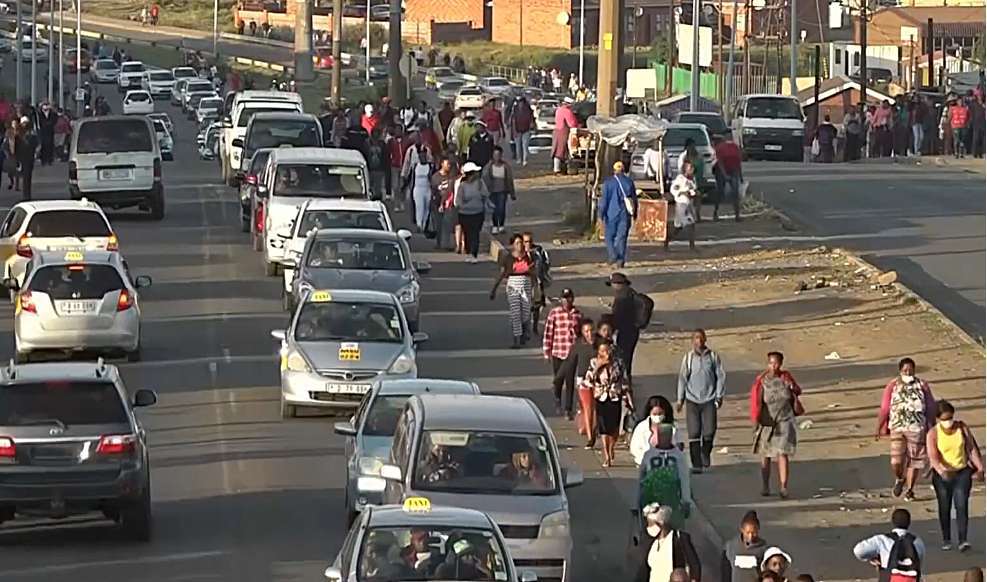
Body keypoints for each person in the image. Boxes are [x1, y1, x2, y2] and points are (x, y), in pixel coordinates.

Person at [926, 399, 984, 552]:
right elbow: (933, 457)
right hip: (942, 476)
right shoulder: (933, 434)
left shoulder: (962, 428)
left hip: (962, 472)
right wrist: (941, 471)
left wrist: (980, 467)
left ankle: (963, 539)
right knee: (944, 506)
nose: (948, 422)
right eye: (944, 419)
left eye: (950, 418)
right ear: (938, 419)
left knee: (961, 505)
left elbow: (971, 448)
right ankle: (946, 538)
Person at [876, 357, 936, 501]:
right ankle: (899, 478)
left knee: (914, 460)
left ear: (914, 371)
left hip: (917, 428)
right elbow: (885, 407)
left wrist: (932, 428)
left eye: (910, 370)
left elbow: (931, 407)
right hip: (897, 427)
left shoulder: (923, 386)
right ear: (900, 371)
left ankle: (910, 490)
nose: (908, 373)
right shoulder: (892, 386)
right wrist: (880, 426)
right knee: (896, 460)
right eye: (905, 370)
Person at [750, 351, 802, 499]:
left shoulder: (786, 377)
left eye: (776, 363)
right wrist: (755, 420)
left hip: (785, 419)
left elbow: (798, 391)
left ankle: (783, 487)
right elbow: (756, 402)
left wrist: (793, 388)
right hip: (767, 421)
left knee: (782, 453)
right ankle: (765, 486)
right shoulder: (762, 381)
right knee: (766, 454)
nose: (774, 366)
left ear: (781, 364)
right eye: (771, 363)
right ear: (767, 364)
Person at [676, 329, 725, 473]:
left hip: (709, 399)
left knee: (709, 430)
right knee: (694, 432)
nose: (699, 340)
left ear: (705, 339)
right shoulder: (689, 358)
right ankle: (696, 464)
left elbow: (720, 376)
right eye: (696, 338)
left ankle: (705, 453)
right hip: (692, 399)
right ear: (693, 340)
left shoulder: (713, 357)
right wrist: (680, 399)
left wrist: (719, 395)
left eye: (701, 337)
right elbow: (682, 378)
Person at [581, 341, 633, 467]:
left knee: (614, 428)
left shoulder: (619, 363)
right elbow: (588, 380)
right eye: (603, 351)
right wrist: (598, 367)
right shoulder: (594, 363)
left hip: (615, 396)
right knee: (604, 428)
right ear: (599, 352)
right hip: (601, 397)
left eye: (608, 350)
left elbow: (625, 381)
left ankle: (612, 447)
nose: (606, 354)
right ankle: (606, 454)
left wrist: (629, 399)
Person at [852, 508, 926, 582]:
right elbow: (919, 565)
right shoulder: (917, 542)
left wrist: (872, 558)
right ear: (909, 523)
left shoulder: (882, 540)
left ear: (893, 522)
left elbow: (858, 551)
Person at [631, 505, 701, 582]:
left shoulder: (679, 538)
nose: (649, 527)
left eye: (651, 524)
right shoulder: (649, 542)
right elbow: (642, 569)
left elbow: (694, 564)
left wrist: (694, 579)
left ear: (662, 523)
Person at [490, 233, 536, 348]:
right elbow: (502, 273)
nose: (520, 245)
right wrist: (494, 288)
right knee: (516, 313)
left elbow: (534, 273)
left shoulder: (529, 257)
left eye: (521, 243)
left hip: (526, 285)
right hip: (513, 286)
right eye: (517, 243)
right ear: (513, 245)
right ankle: (516, 339)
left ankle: (525, 332)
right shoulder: (508, 258)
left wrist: (536, 288)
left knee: (525, 314)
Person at [638, 424, 691, 525]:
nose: (664, 437)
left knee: (672, 527)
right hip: (651, 498)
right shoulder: (649, 455)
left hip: (672, 499)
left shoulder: (678, 456)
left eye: (667, 435)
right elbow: (641, 479)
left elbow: (684, 478)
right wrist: (637, 503)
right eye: (662, 435)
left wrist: (686, 500)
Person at [542, 288, 582, 418]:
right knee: (558, 379)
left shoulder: (577, 314)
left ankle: (568, 409)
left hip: (571, 352)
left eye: (569, 297)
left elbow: (581, 335)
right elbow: (549, 332)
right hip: (557, 351)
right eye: (565, 298)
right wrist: (546, 352)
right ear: (561, 300)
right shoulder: (555, 313)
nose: (567, 300)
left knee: (570, 381)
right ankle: (557, 400)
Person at [563, 318, 597, 445]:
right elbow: (570, 363)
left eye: (592, 330)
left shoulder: (600, 343)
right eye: (587, 331)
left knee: (596, 408)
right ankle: (590, 437)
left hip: (600, 381)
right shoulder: (578, 345)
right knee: (588, 407)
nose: (590, 333)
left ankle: (592, 427)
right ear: (583, 332)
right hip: (584, 381)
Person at [606, 272, 642, 389]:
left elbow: (617, 318)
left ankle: (625, 383)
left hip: (625, 331)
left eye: (612, 284)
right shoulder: (631, 293)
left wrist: (609, 331)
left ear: (618, 284)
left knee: (622, 358)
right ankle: (627, 379)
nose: (612, 287)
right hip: (634, 330)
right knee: (628, 357)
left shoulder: (621, 297)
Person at [599, 161, 637, 268]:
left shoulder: (608, 183)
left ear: (614, 170)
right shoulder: (629, 182)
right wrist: (635, 213)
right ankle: (620, 261)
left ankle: (613, 254)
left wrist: (601, 215)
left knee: (609, 236)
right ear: (623, 170)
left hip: (611, 214)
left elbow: (604, 201)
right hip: (625, 214)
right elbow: (634, 199)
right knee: (622, 237)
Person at [631, 395, 683, 465]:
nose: (657, 416)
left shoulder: (673, 427)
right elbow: (635, 448)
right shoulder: (642, 427)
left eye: (660, 414)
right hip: (645, 464)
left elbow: (677, 447)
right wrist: (646, 459)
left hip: (668, 465)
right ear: (649, 413)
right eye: (654, 414)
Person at [454, 162, 488, 263]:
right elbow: (458, 201)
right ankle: (469, 252)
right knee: (468, 233)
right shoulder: (462, 185)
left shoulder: (480, 183)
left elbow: (486, 195)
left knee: (475, 233)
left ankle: (474, 253)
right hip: (465, 214)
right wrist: (465, 204)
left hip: (478, 212)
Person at [720, 510, 768, 582]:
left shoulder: (763, 548)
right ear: (742, 529)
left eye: (754, 533)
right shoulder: (731, 546)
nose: (750, 536)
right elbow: (726, 570)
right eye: (747, 532)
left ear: (758, 529)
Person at [665, 159, 697, 252]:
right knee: (687, 225)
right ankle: (692, 246)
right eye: (690, 168)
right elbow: (673, 189)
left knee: (683, 226)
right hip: (681, 205)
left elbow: (693, 190)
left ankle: (667, 241)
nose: (692, 170)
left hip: (688, 204)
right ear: (685, 169)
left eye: (692, 168)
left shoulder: (692, 179)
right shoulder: (680, 179)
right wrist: (682, 192)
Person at [481, 146, 515, 235]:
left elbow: (509, 179)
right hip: (492, 191)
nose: (497, 157)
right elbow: (485, 178)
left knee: (501, 208)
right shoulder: (489, 166)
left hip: (502, 191)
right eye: (495, 155)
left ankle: (502, 225)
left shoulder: (505, 166)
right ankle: (495, 225)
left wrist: (512, 193)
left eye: (498, 155)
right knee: (494, 209)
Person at [523, 233, 551, 333]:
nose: (528, 244)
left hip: (536, 283)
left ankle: (534, 326)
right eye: (526, 242)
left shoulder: (538, 251)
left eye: (530, 241)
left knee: (536, 306)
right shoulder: (519, 253)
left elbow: (546, 263)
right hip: (524, 283)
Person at [430, 156, 458, 251]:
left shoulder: (452, 177)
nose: (449, 166)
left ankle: (445, 244)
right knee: (438, 224)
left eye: (450, 164)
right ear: (442, 164)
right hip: (437, 203)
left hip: (448, 204)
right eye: (447, 164)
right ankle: (439, 242)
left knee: (447, 223)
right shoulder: (435, 177)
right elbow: (433, 190)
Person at [713, 135, 742, 221]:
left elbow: (738, 162)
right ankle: (715, 212)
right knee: (720, 192)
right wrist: (725, 175)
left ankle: (737, 214)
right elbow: (720, 162)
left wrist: (740, 175)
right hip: (721, 171)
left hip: (733, 171)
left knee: (735, 193)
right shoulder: (720, 148)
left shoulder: (735, 147)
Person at [551, 99, 578, 174]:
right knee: (561, 150)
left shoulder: (559, 110)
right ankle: (558, 169)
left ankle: (557, 168)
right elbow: (572, 124)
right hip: (563, 131)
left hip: (557, 131)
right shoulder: (567, 112)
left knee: (557, 150)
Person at [15, 117, 37, 202]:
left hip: (29, 157)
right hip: (21, 157)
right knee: (23, 176)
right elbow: (17, 148)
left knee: (27, 177)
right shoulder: (18, 136)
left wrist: (35, 153)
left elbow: (36, 145)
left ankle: (27, 194)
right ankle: (25, 194)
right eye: (24, 124)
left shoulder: (32, 135)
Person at [508, 95, 534, 165]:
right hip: (517, 130)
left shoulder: (528, 110)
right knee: (518, 146)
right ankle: (519, 159)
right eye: (519, 102)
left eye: (521, 101)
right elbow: (512, 122)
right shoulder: (515, 111)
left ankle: (525, 160)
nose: (520, 103)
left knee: (524, 146)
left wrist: (532, 126)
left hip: (526, 130)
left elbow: (531, 119)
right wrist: (514, 132)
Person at [365, 128, 387, 201]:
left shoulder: (382, 144)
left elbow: (384, 156)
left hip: (379, 168)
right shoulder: (367, 143)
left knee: (378, 185)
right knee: (370, 184)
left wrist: (384, 167)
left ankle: (378, 198)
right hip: (370, 168)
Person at [37, 101, 56, 166]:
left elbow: (54, 120)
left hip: (50, 131)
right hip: (43, 131)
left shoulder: (52, 113)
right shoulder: (39, 114)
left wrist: (50, 124)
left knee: (50, 145)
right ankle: (43, 160)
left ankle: (50, 159)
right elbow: (39, 121)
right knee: (43, 145)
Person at [3, 119, 18, 191]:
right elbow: (5, 144)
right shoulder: (8, 133)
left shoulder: (17, 132)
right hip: (10, 154)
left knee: (16, 170)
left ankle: (16, 185)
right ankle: (12, 183)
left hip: (16, 153)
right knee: (11, 171)